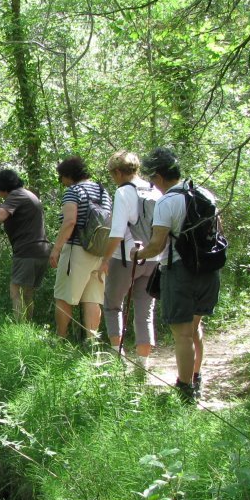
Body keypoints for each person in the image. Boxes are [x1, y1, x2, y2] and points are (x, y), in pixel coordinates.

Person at [132, 147, 221, 403]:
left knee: (181, 333)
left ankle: (184, 391)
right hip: (208, 270)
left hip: (179, 271)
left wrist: (139, 254)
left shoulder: (167, 202)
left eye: (152, 179)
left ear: (159, 177)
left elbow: (157, 245)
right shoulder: (205, 194)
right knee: (195, 329)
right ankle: (196, 378)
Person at [99, 151, 162, 362]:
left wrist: (104, 260)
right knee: (145, 310)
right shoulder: (155, 190)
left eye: (112, 174)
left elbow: (116, 232)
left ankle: (119, 358)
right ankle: (142, 365)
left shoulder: (123, 192)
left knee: (113, 304)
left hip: (125, 258)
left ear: (118, 172)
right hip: (153, 257)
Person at [49, 156, 110, 338]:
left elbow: (69, 222)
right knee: (93, 299)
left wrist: (56, 249)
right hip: (99, 250)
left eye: (61, 177)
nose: (61, 182)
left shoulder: (73, 191)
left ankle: (61, 340)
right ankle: (92, 344)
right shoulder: (102, 190)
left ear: (68, 175)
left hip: (76, 250)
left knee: (64, 296)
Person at [0, 169, 50, 322]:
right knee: (27, 292)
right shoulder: (29, 194)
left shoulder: (17, 195)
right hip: (39, 249)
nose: (0, 194)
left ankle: (20, 327)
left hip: (27, 250)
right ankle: (26, 326)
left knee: (16, 290)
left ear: (4, 187)